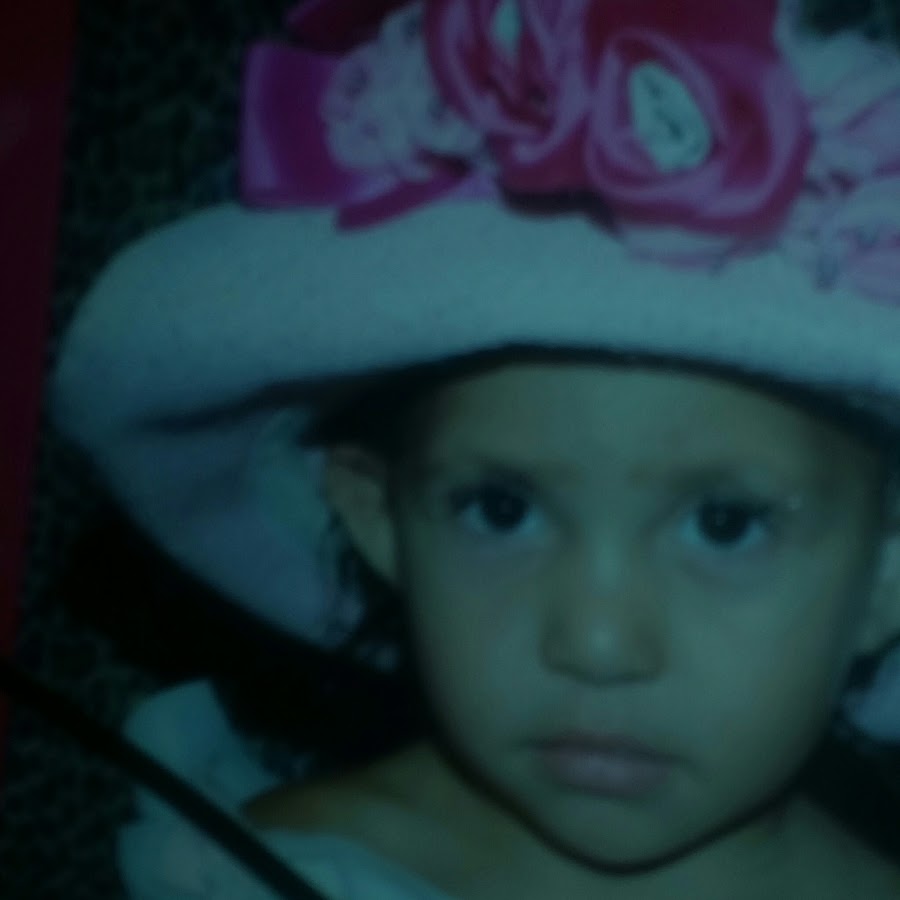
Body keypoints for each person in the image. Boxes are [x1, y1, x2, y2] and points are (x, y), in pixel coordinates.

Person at [50, 0, 900, 896]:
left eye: (725, 524)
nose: (597, 641)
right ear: (380, 514)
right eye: (502, 510)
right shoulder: (260, 879)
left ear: (886, 573)